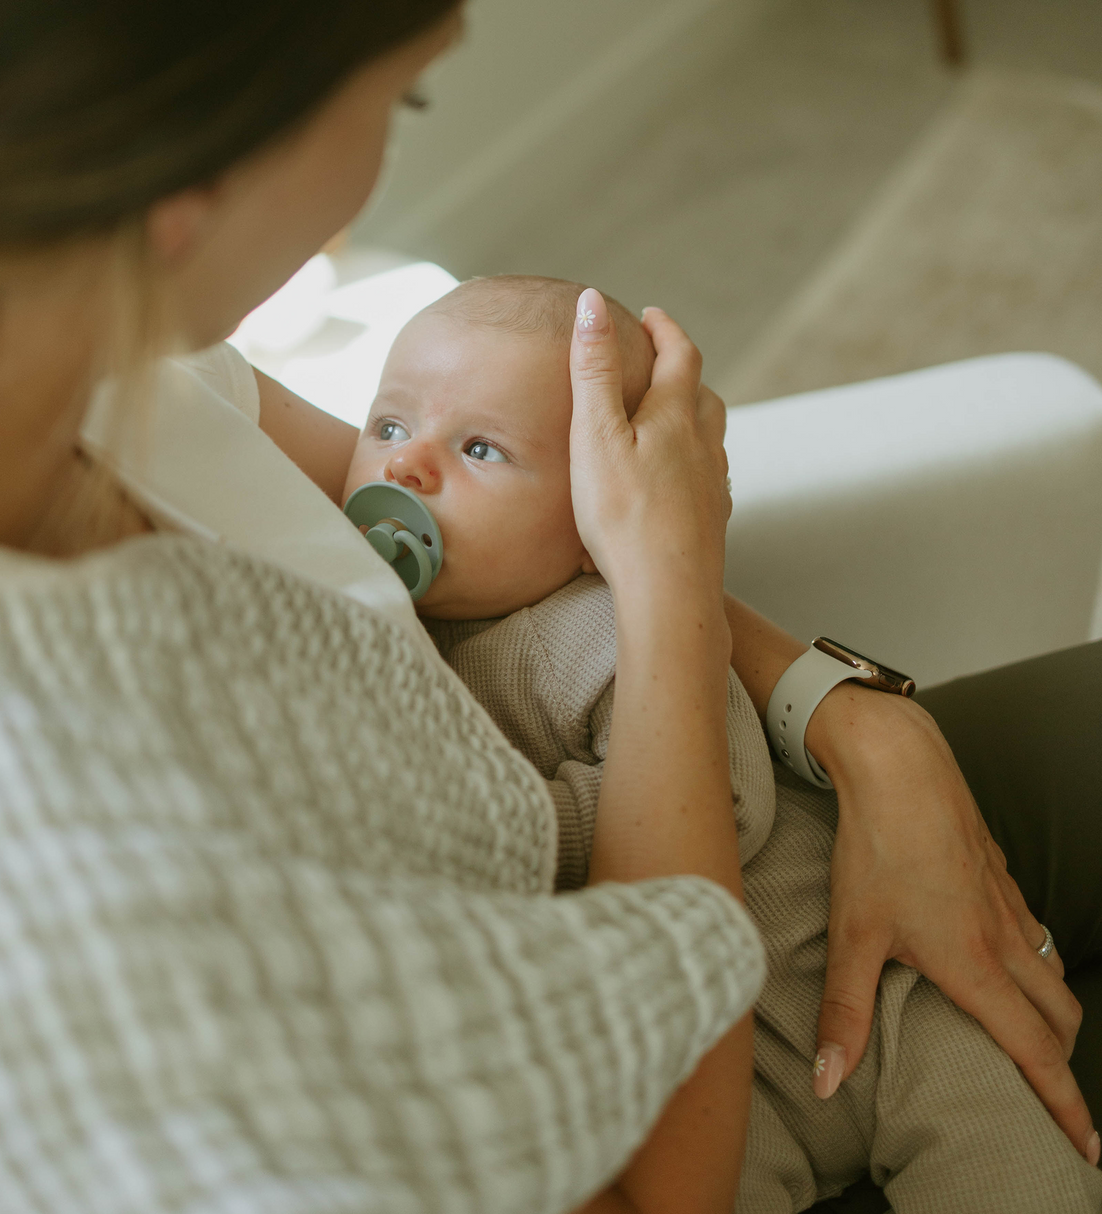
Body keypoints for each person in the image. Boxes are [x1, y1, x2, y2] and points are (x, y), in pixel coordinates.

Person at [0, 2, 1095, 1212]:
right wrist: (670, 585)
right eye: (400, 98)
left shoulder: (107, 353)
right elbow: (656, 1190)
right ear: (182, 168)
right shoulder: (13, 848)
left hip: (760, 896)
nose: (403, 462)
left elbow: (534, 553)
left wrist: (851, 716)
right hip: (699, 1094)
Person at [335, 272, 1102, 1210]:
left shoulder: (596, 631)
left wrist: (509, 828)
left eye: (481, 448)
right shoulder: (369, 638)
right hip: (709, 1080)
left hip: (865, 1000)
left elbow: (733, 797)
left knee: (1013, 1162)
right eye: (386, 426)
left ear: (595, 525)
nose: (405, 469)